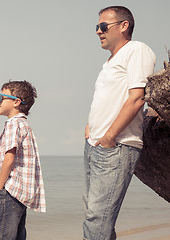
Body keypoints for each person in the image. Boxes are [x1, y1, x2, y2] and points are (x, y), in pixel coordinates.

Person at [83, 6, 156, 240]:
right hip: (97, 144)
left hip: (116, 145)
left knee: (97, 217)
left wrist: (110, 136)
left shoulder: (136, 50)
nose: (98, 31)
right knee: (98, 216)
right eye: (97, 27)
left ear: (124, 26)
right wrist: (91, 130)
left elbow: (137, 98)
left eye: (103, 26)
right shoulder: (110, 61)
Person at [0, 80, 46, 240]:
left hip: (10, 190)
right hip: (20, 192)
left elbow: (9, 157)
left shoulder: (14, 124)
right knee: (17, 235)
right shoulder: (24, 124)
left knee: (2, 235)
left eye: (1, 97)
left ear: (16, 102)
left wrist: (0, 187)